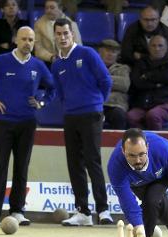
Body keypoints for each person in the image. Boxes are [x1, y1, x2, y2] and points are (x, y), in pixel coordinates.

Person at [0, 26, 55, 227]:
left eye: (31, 40)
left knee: (21, 166)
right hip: (4, 122)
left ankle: (18, 210)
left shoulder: (38, 66)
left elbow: (52, 87)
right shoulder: (0, 61)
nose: (28, 43)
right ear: (15, 40)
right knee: (0, 166)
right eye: (24, 39)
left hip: (27, 122)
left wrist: (41, 102)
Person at [51, 17, 113, 226]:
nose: (62, 37)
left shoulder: (87, 54)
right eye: (58, 34)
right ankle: (83, 212)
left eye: (66, 33)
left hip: (91, 115)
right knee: (74, 164)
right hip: (70, 117)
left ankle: (103, 210)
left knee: (92, 161)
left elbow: (105, 81)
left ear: (73, 34)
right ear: (55, 36)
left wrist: (97, 104)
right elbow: (60, 93)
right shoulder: (57, 64)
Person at [127, 35, 168, 131]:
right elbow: (136, 82)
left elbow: (167, 77)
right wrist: (157, 84)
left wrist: (146, 76)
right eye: (153, 46)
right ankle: (142, 139)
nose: (157, 49)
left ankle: (157, 141)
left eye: (160, 46)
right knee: (131, 116)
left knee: (153, 115)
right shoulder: (140, 63)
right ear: (148, 47)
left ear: (166, 48)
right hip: (142, 104)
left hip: (164, 104)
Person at [34, 0, 81, 66]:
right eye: (46, 8)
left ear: (60, 9)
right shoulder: (38, 24)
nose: (48, 11)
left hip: (69, 60)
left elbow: (78, 46)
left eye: (52, 8)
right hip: (47, 62)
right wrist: (52, 57)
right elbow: (38, 49)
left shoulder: (72, 24)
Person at [98, 39, 130, 130]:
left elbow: (124, 85)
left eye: (114, 52)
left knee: (118, 115)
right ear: (100, 51)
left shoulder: (123, 68)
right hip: (96, 104)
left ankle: (119, 142)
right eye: (107, 50)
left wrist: (101, 79)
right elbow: (88, 84)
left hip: (115, 105)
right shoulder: (92, 66)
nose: (110, 54)